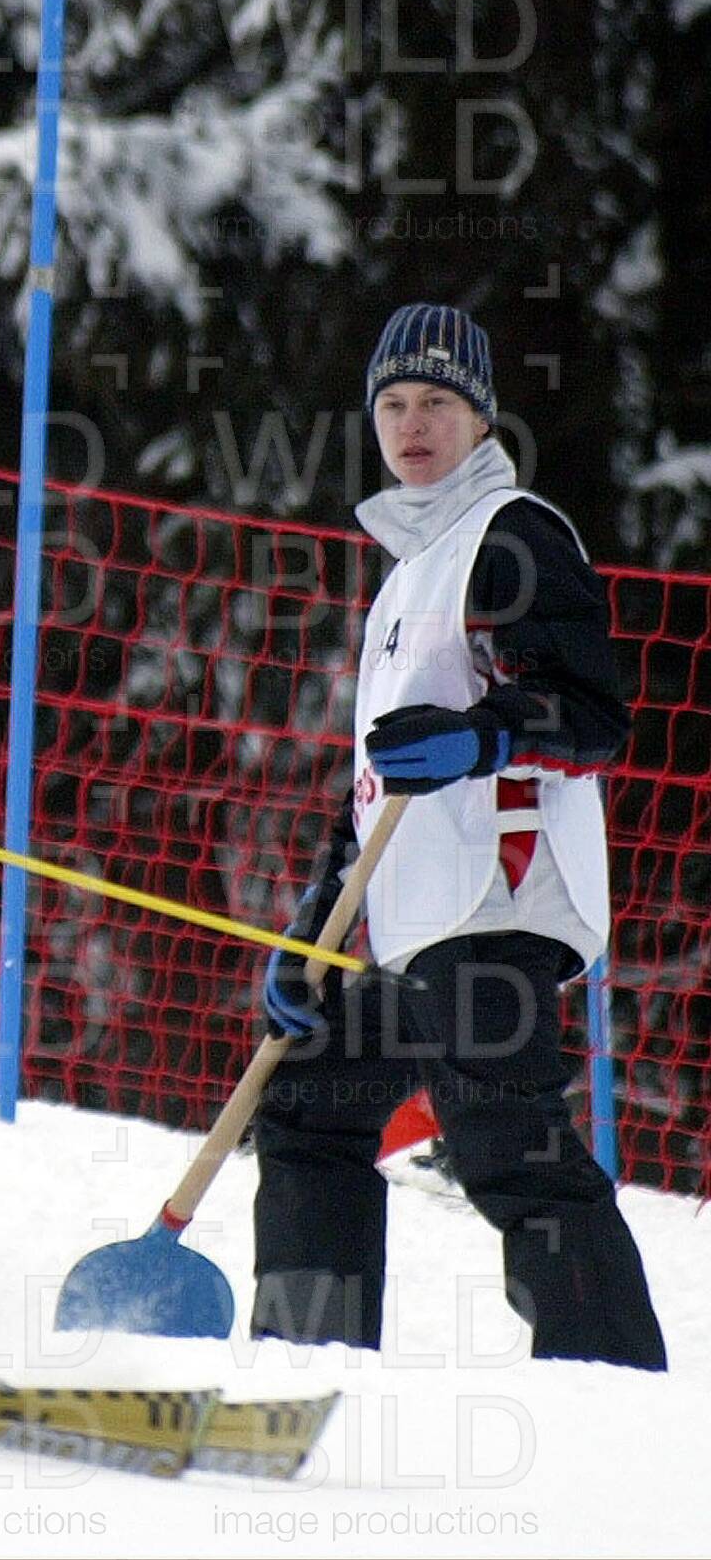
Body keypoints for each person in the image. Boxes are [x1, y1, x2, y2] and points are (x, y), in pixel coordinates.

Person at [253, 303, 666, 1369]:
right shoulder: (409, 570)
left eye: (437, 400)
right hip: (421, 923)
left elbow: (591, 713)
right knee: (308, 1096)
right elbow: (377, 784)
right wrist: (314, 924)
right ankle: (309, 1361)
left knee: (508, 1151)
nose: (412, 423)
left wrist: (484, 736)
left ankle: (612, 1380)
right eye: (393, 402)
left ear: (481, 417)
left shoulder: (513, 534)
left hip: (497, 905)